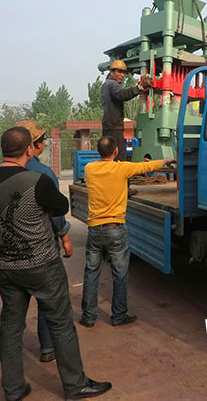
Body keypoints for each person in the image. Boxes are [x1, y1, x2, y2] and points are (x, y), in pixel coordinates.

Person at [0, 127, 111, 400]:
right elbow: (61, 207)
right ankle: (75, 385)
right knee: (61, 324)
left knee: (11, 327)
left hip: (7, 266)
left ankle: (13, 389)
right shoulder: (37, 180)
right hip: (42, 265)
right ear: (29, 149)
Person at [79, 135, 175, 328]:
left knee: (91, 273)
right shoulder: (122, 168)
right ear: (115, 151)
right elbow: (145, 167)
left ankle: (88, 317)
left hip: (95, 229)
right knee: (119, 274)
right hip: (115, 228)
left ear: (98, 151)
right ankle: (118, 316)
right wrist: (166, 160)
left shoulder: (89, 168)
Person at [15, 118, 73, 364]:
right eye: (43, 140)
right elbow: (56, 213)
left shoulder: (0, 175)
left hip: (11, 252)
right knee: (49, 299)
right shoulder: (44, 174)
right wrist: (65, 237)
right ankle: (48, 346)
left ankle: (12, 359)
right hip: (42, 248)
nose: (45, 144)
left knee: (14, 309)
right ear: (34, 146)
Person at [101, 59, 152, 162]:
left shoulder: (105, 85)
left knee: (109, 158)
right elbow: (122, 94)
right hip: (114, 128)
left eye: (124, 72)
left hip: (108, 127)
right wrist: (139, 88)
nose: (122, 75)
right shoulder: (112, 84)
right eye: (119, 72)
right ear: (111, 72)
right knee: (119, 159)